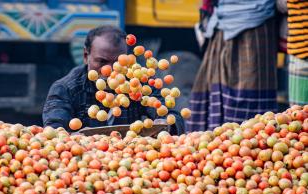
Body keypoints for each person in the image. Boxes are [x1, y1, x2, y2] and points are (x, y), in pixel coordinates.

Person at [42, 25, 185, 134]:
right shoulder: (66, 88)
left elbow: (171, 116)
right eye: (102, 61)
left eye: (119, 62)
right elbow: (54, 130)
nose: (110, 70)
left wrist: (166, 124)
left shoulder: (139, 83)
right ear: (86, 56)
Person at [187, 0, 278, 132]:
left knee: (248, 107)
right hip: (228, 25)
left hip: (251, 25)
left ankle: (233, 145)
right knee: (232, 99)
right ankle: (219, 145)